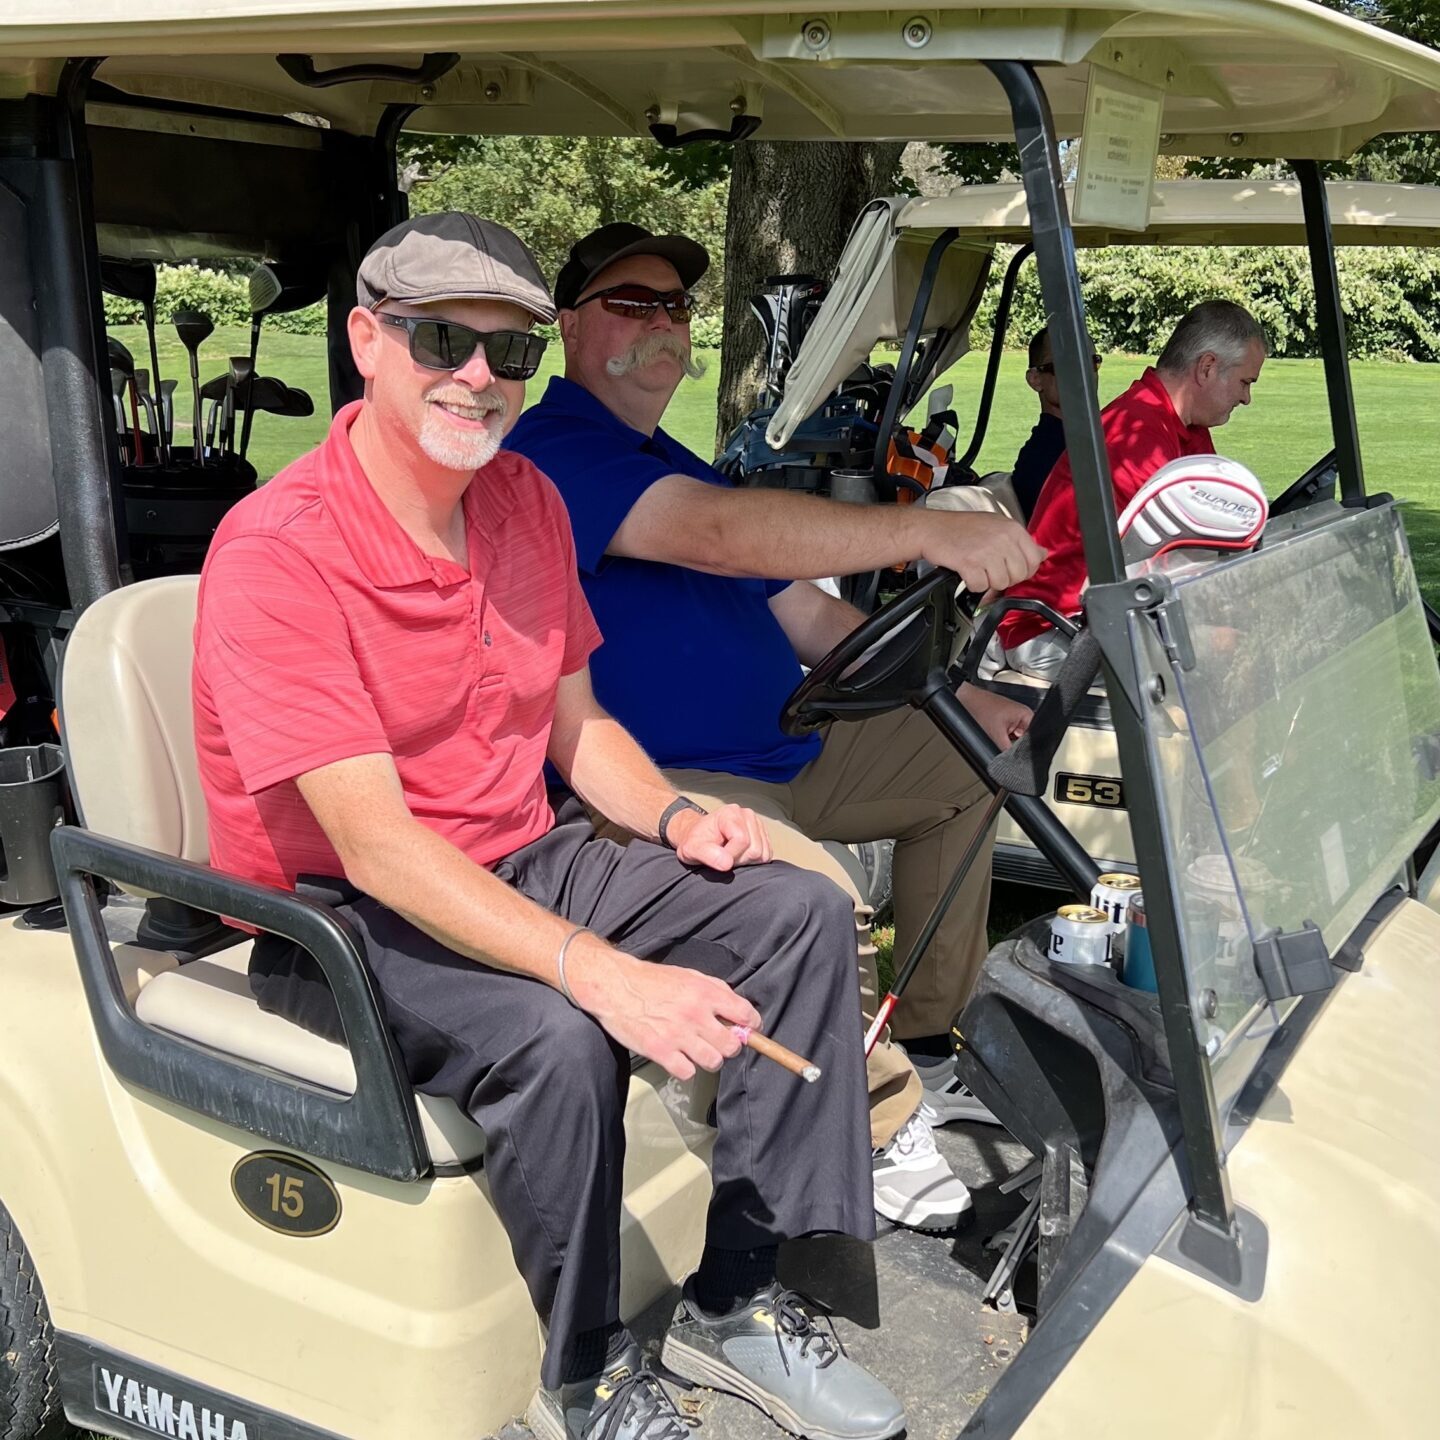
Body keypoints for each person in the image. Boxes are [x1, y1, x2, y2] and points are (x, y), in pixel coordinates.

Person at [192, 212, 907, 1440]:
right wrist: (608, 976)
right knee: (559, 1036)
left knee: (794, 911)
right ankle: (586, 1378)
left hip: (522, 854)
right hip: (338, 922)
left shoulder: (521, 497)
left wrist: (680, 817)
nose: (478, 376)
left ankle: (741, 1294)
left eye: (509, 351)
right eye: (441, 340)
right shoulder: (280, 555)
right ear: (367, 341)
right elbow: (376, 849)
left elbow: (577, 731)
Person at [506, 223, 1046, 1234]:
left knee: (973, 767)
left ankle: (921, 1041)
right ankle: (874, 1128)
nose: (660, 322)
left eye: (675, 307)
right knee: (819, 901)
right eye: (631, 303)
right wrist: (928, 528)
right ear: (571, 327)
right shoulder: (553, 454)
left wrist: (960, 698)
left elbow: (807, 613)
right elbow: (716, 535)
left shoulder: (674, 456)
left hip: (790, 743)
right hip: (664, 784)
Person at [998, 299, 1266, 676]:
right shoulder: (1138, 435)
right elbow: (1179, 561)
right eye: (1244, 382)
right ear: (1207, 367)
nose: (1246, 398)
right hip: (1052, 627)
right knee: (1223, 660)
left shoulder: (1185, 427)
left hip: (1103, 612)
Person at [1009, 326, 1101, 521]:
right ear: (1035, 379)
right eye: (1067, 364)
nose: (1083, 374)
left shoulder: (1089, 443)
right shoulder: (1045, 460)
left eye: (1091, 362)